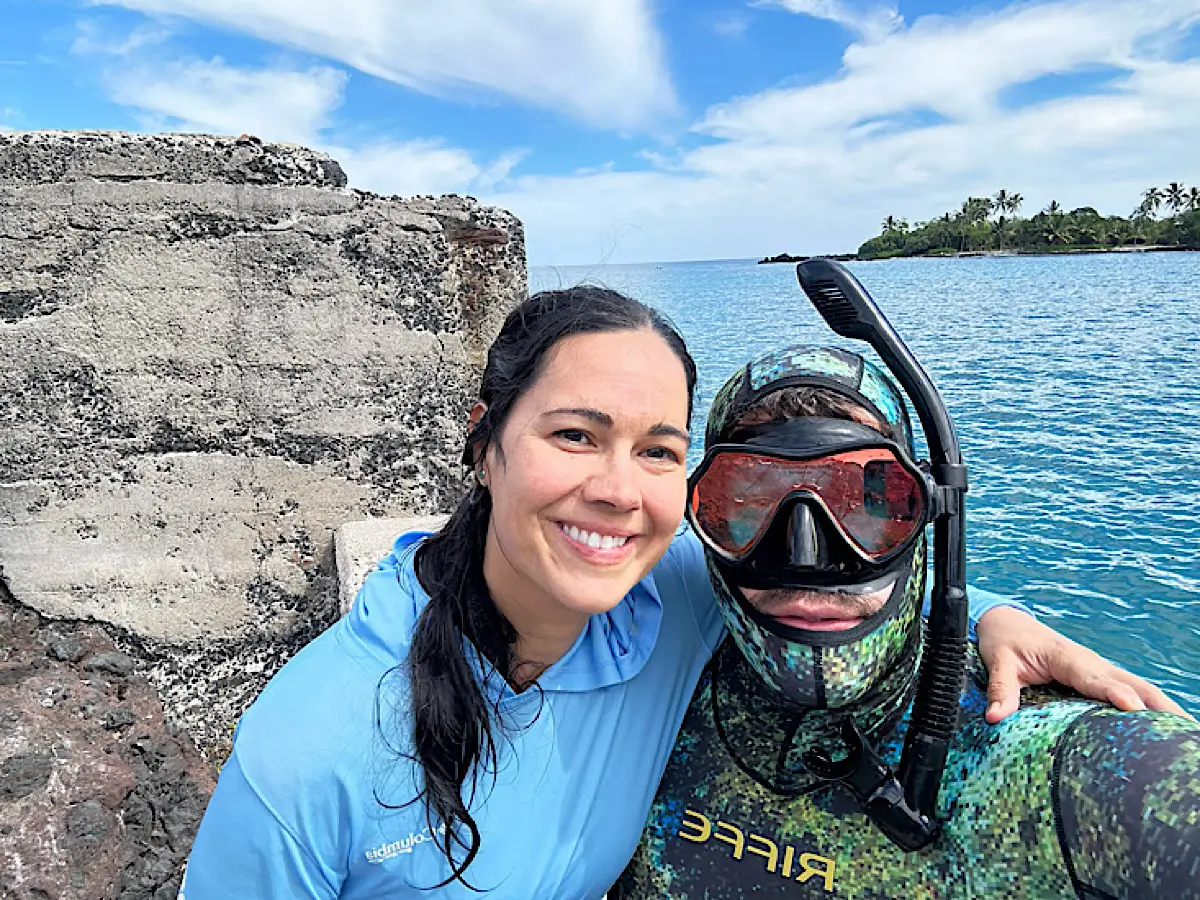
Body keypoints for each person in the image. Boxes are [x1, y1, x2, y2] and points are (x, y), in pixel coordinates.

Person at [180, 287, 1180, 899]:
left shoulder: (668, 599)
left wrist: (992, 616)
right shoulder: (311, 750)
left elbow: (832, 588)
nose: (617, 490)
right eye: (574, 435)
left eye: (657, 451)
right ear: (485, 443)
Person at [614, 340, 1200, 899]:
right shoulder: (653, 678)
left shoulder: (1054, 767)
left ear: (923, 512)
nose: (806, 558)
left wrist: (983, 614)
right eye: (746, 504)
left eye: (865, 505)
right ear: (696, 518)